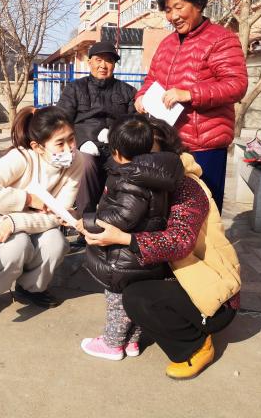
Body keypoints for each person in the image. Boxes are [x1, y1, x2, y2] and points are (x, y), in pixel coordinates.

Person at [83, 119, 241, 379]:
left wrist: (125, 239)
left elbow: (179, 241)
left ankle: (195, 346)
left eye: (148, 154)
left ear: (168, 155)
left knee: (137, 297)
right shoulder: (141, 182)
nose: (141, 162)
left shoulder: (187, 187)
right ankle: (130, 338)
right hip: (179, 277)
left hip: (214, 296)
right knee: (129, 277)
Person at [134, 0, 248, 213]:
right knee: (169, 212)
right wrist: (141, 96)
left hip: (204, 145)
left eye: (179, 7)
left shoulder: (221, 39)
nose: (173, 16)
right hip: (168, 142)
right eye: (168, 10)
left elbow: (236, 84)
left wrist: (190, 93)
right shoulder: (167, 43)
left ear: (197, 3)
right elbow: (152, 79)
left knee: (203, 212)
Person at [0, 106, 84, 322]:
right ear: (38, 147)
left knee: (56, 243)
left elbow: (59, 214)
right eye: (60, 143)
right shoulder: (22, 158)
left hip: (35, 224)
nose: (69, 148)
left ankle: (30, 288)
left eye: (71, 139)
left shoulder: (77, 161)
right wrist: (26, 199)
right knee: (18, 245)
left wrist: (15, 221)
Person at [79, 115, 184, 361]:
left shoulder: (131, 178)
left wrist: (88, 220)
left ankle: (113, 344)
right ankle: (132, 342)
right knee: (135, 299)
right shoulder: (156, 173)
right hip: (145, 252)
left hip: (124, 255)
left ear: (116, 151)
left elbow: (122, 216)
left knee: (117, 300)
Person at [57, 41, 137, 224]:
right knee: (85, 164)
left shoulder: (127, 91)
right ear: (89, 62)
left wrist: (116, 135)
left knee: (128, 167)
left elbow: (133, 123)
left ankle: (117, 222)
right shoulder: (75, 88)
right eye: (98, 60)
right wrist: (82, 140)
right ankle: (86, 222)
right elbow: (61, 121)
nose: (103, 65)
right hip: (84, 146)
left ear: (114, 65)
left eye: (109, 61)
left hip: (116, 146)